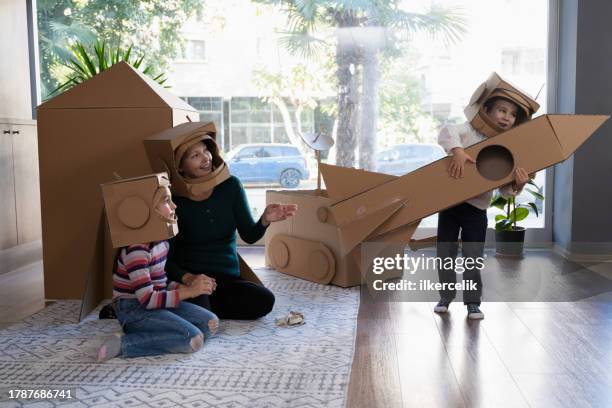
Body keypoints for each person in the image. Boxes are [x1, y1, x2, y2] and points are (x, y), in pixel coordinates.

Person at [165, 138, 297, 320]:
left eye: (206, 150)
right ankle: (197, 307)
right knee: (201, 305)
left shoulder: (231, 186)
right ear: (180, 167)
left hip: (227, 280)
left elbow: (249, 236)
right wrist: (189, 279)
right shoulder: (173, 200)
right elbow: (165, 260)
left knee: (265, 300)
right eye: (195, 156)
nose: (206, 158)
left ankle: (198, 310)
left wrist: (265, 219)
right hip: (193, 282)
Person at [434, 95, 533, 320]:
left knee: (472, 256)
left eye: (512, 114)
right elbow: (448, 131)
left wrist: (517, 185)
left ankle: (472, 303)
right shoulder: (469, 131)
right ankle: (445, 297)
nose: (507, 117)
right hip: (450, 206)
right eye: (502, 110)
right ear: (486, 111)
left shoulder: (505, 147)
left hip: (476, 210)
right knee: (445, 254)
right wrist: (457, 151)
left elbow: (505, 191)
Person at [97, 184, 218, 362]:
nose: (174, 206)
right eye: (166, 201)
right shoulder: (136, 251)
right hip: (134, 308)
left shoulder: (163, 242)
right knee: (193, 340)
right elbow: (147, 300)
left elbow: (162, 283)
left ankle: (153, 328)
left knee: (211, 324)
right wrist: (189, 292)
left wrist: (187, 286)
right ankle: (125, 343)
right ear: (145, 211)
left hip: (156, 303)